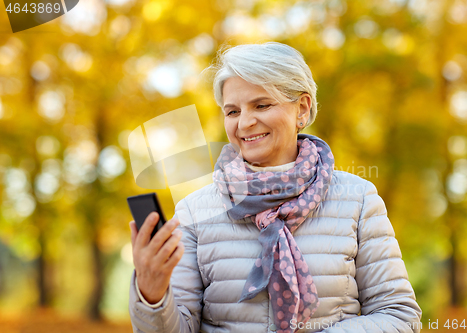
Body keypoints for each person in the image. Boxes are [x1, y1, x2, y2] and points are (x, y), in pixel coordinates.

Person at [128, 42, 422, 333]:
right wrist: (152, 296)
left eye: (262, 105)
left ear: (302, 109)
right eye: (232, 111)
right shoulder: (195, 210)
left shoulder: (358, 200)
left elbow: (399, 315)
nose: (244, 122)